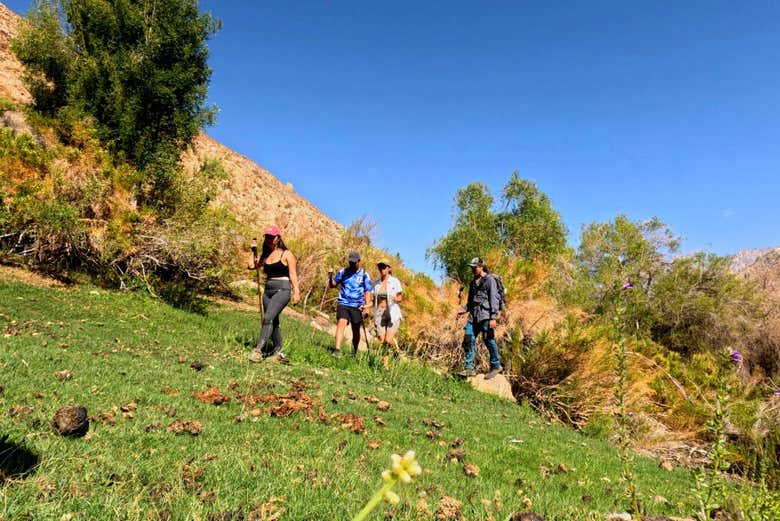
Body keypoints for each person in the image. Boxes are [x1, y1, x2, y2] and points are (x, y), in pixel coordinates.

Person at [246, 225, 300, 363]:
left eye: (272, 237)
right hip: (268, 291)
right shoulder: (265, 255)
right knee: (273, 322)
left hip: (282, 289)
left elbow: (293, 274)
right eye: (267, 237)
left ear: (278, 238)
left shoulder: (286, 254)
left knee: (268, 318)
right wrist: (253, 251)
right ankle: (279, 352)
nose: (269, 239)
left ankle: (258, 350)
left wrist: (296, 293)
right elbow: (251, 266)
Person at [457, 257, 503, 379]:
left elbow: (493, 298)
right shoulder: (472, 283)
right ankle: (469, 368)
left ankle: (495, 366)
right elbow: (470, 301)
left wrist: (493, 317)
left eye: (475, 267)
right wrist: (463, 310)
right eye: (471, 267)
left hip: (486, 315)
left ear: (481, 267)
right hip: (474, 316)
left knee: (488, 339)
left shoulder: (490, 280)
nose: (473, 269)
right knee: (468, 338)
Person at [328, 251, 373, 356]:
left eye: (354, 262)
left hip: (358, 306)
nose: (352, 264)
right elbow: (333, 284)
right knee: (341, 323)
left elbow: (367, 291)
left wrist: (367, 307)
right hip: (343, 302)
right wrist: (330, 277)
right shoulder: (343, 272)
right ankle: (337, 350)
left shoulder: (364, 274)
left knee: (356, 329)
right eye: (350, 262)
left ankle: (354, 352)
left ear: (358, 261)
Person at [373, 260, 403, 351]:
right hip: (380, 312)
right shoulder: (376, 284)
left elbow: (400, 298)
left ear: (388, 268)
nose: (382, 269)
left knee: (388, 341)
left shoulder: (395, 281)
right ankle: (384, 365)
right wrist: (364, 306)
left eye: (384, 267)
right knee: (382, 341)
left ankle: (395, 350)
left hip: (392, 312)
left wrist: (395, 298)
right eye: (380, 267)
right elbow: (373, 300)